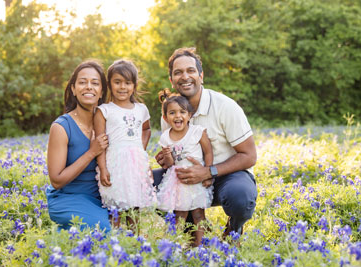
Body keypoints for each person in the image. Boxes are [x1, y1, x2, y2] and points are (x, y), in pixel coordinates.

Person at [154, 47, 258, 236]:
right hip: (187, 178)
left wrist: (209, 171)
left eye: (191, 70)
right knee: (146, 184)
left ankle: (233, 230)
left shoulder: (225, 106)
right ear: (171, 80)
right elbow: (175, 155)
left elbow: (250, 156)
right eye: (178, 72)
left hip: (228, 177)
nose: (185, 76)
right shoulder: (169, 112)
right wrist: (167, 160)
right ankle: (193, 230)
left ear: (201, 76)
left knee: (241, 197)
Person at [46, 60, 111, 231]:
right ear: (73, 89)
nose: (89, 87)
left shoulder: (110, 121)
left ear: (101, 91)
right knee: (104, 230)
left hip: (104, 197)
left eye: (95, 83)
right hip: (69, 198)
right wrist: (92, 152)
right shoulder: (61, 127)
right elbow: (56, 180)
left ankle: (64, 238)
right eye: (82, 82)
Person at [94, 59, 156, 228]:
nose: (122, 87)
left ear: (134, 85)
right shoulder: (104, 110)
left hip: (135, 165)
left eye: (127, 83)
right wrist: (103, 168)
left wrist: (139, 150)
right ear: (109, 84)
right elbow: (99, 143)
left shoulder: (141, 109)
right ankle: (115, 241)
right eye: (117, 82)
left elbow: (146, 129)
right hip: (114, 164)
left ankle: (133, 243)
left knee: (134, 207)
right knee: (115, 206)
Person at [157, 91, 213, 246]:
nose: (178, 116)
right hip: (178, 180)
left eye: (182, 112)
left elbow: (208, 152)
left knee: (198, 214)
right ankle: (175, 245)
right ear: (165, 117)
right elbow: (170, 164)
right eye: (172, 113)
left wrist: (208, 173)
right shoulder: (165, 137)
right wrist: (167, 155)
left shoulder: (197, 132)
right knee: (179, 215)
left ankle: (200, 245)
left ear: (189, 115)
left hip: (196, 179)